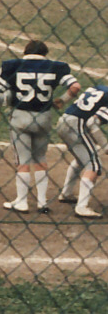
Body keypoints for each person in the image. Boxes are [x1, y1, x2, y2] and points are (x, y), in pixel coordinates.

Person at [0, 40, 79, 214]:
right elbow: (75, 86)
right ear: (44, 53)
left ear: (25, 51)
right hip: (44, 117)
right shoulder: (56, 67)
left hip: (21, 117)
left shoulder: (12, 65)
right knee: (40, 159)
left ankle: (21, 201)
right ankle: (42, 203)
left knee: (22, 161)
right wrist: (63, 100)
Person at [57, 86, 108, 218]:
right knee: (94, 165)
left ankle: (66, 193)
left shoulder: (99, 87)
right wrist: (105, 146)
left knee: (82, 159)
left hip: (64, 121)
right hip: (76, 125)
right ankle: (82, 207)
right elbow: (92, 122)